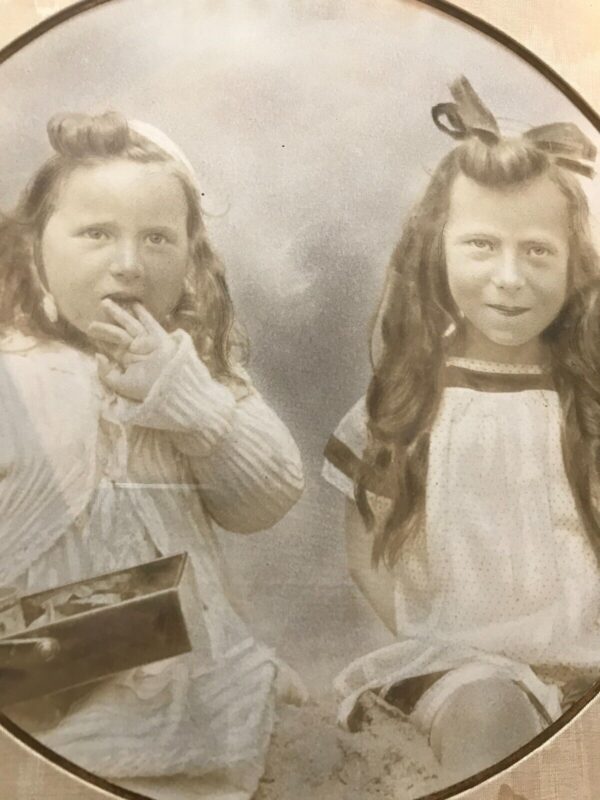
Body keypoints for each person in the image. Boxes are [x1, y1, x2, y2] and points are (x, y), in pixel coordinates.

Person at [0, 111, 304, 798]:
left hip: (174, 658)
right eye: (97, 234)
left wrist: (186, 397)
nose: (129, 263)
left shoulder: (195, 367)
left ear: (192, 259)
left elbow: (269, 497)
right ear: (34, 246)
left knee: (195, 653)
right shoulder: (11, 369)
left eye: (158, 238)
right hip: (29, 665)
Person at [322, 77, 600, 784]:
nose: (509, 277)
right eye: (481, 245)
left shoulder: (587, 400)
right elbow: (364, 551)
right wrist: (440, 641)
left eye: (537, 252)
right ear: (436, 253)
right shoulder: (411, 400)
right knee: (490, 723)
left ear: (575, 266)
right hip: (465, 667)